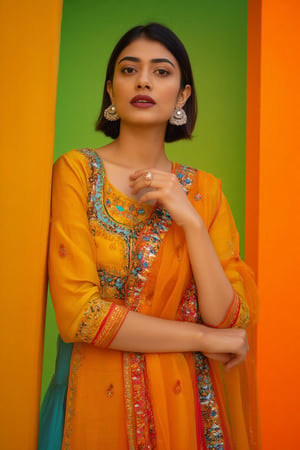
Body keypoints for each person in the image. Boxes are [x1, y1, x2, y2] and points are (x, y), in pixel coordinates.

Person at [39, 23, 261, 450]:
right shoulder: (77, 172)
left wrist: (191, 220)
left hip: (187, 412)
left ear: (182, 97)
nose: (143, 80)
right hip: (91, 408)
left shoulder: (205, 192)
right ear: (110, 91)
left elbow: (226, 318)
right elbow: (78, 315)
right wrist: (201, 339)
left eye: (161, 71)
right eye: (129, 70)